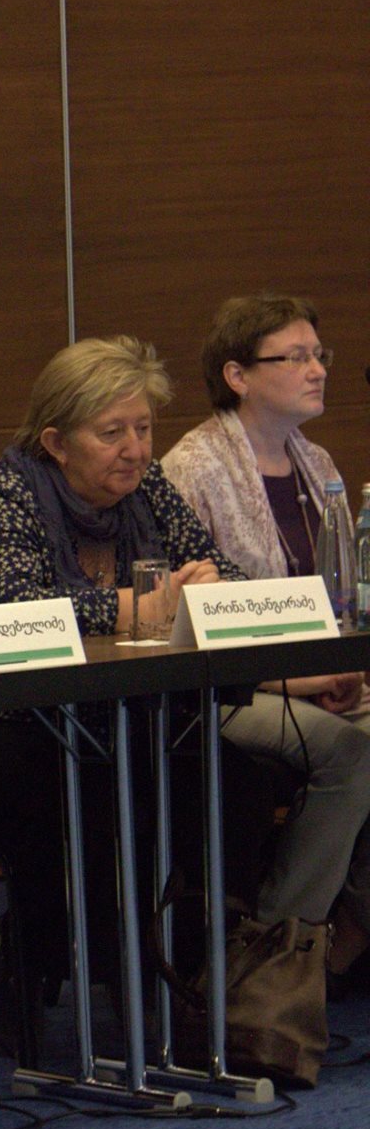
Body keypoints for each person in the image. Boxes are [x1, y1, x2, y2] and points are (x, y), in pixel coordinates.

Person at [0, 335, 256, 1048]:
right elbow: (21, 608)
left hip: (117, 717)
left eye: (143, 428)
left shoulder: (148, 489)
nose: (135, 450)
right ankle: (71, 960)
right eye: (112, 433)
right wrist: (141, 607)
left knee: (221, 773)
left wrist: (210, 585)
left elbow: (222, 572)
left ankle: (188, 973)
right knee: (90, 781)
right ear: (55, 441)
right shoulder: (1, 495)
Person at [162, 294, 370, 983]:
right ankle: (272, 960)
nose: (318, 369)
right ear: (238, 375)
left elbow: (338, 602)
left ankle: (347, 936)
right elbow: (196, 630)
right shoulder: (192, 469)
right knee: (352, 753)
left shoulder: (318, 464)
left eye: (320, 354)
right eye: (297, 357)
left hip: (319, 679)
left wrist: (340, 671)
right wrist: (310, 680)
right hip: (226, 691)